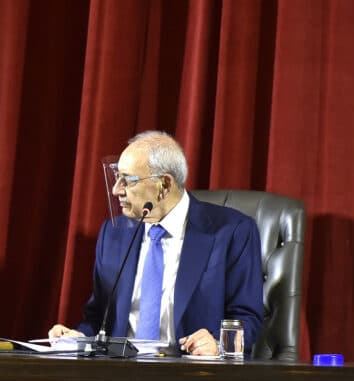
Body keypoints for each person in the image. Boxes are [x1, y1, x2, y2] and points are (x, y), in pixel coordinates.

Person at [48, 131, 263, 356]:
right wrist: (78, 337)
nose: (116, 190)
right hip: (119, 372)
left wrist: (218, 344)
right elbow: (98, 317)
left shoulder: (232, 231)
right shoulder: (114, 234)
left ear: (165, 185)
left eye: (128, 180)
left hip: (190, 372)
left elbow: (248, 320)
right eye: (117, 177)